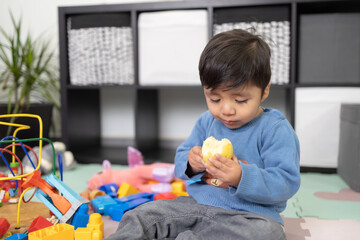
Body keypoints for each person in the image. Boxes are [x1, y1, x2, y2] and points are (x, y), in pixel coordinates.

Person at [106, 29, 300, 240]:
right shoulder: (207, 121)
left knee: (268, 234)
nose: (226, 110)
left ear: (264, 91)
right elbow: (181, 161)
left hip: (248, 216)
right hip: (196, 206)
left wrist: (240, 176)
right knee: (142, 216)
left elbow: (286, 182)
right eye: (215, 99)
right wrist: (192, 163)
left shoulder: (274, 129)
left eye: (240, 100)